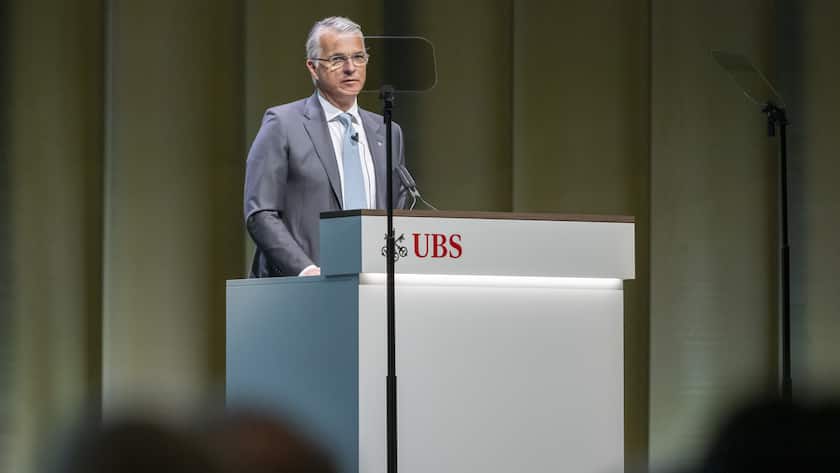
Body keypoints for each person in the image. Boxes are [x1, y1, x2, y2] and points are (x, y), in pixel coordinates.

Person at [244, 16, 409, 278]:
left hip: (370, 284)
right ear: (312, 67)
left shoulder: (388, 132)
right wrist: (305, 269)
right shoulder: (283, 124)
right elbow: (261, 213)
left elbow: (396, 213)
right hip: (300, 287)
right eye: (337, 59)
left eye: (358, 57)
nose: (350, 68)